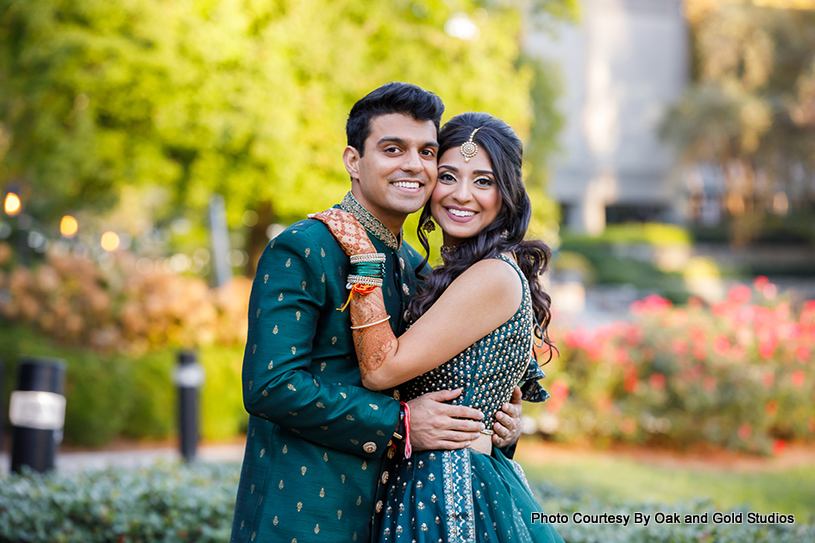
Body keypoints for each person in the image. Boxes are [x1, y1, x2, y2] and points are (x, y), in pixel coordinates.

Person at [230, 83, 525, 543]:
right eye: (393, 149)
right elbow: (270, 385)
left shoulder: (417, 267)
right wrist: (401, 423)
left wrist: (493, 419)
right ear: (353, 160)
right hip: (307, 515)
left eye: (427, 152)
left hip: (397, 515)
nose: (413, 164)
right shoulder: (304, 248)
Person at [311, 112, 564, 542]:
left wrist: (361, 252)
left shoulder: (491, 276)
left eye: (483, 181)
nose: (461, 195)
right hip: (433, 478)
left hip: (450, 490)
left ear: (507, 194)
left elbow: (379, 370)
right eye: (447, 176)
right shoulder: (453, 271)